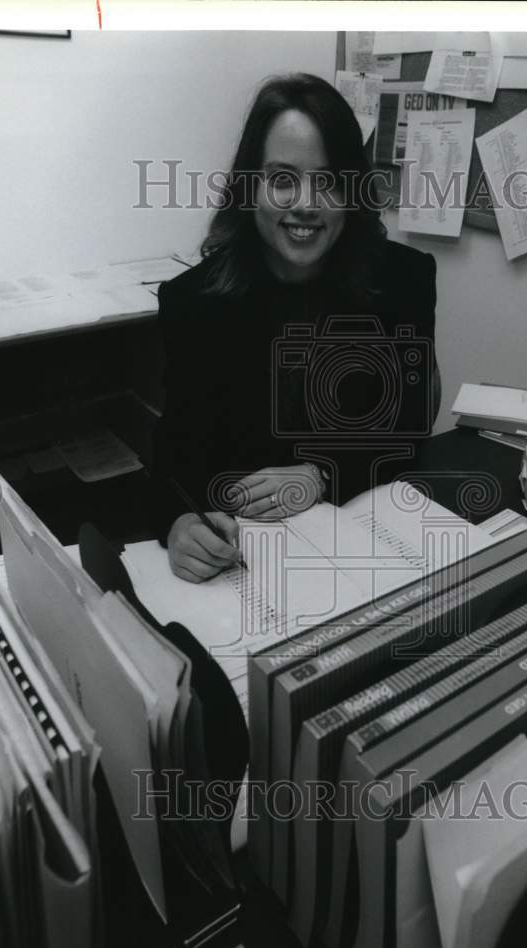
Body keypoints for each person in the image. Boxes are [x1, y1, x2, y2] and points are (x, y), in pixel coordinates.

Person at [151, 73, 440, 582]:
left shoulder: (403, 280)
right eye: (283, 178)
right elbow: (175, 459)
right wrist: (176, 524)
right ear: (250, 188)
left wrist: (321, 474)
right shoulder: (192, 303)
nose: (305, 203)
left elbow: (409, 419)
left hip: (369, 541)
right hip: (247, 565)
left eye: (327, 180)